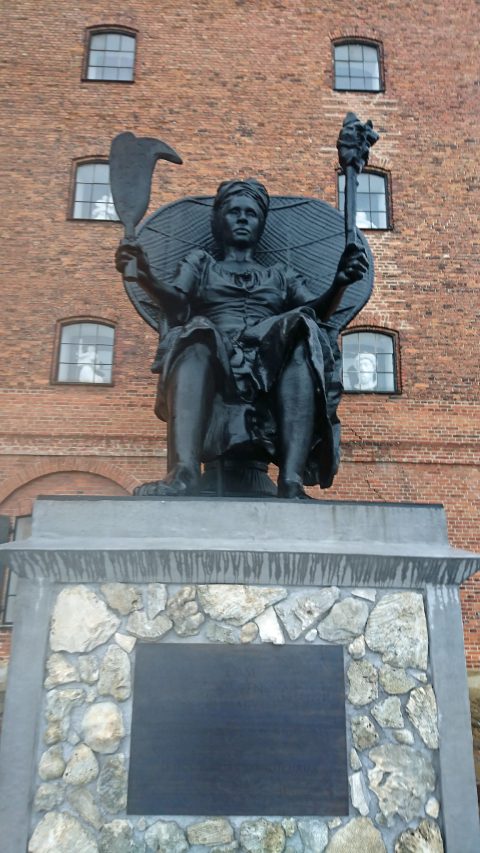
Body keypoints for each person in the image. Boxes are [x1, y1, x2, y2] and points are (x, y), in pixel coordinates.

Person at [115, 178, 368, 498]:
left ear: (262, 222)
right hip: (215, 352)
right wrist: (146, 277)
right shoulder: (201, 264)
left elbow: (315, 313)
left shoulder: (280, 274)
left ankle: (291, 480)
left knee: (302, 338)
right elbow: (177, 305)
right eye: (234, 211)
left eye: (251, 213)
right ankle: (184, 471)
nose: (243, 218)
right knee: (196, 337)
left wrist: (339, 284)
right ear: (218, 220)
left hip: (269, 359)